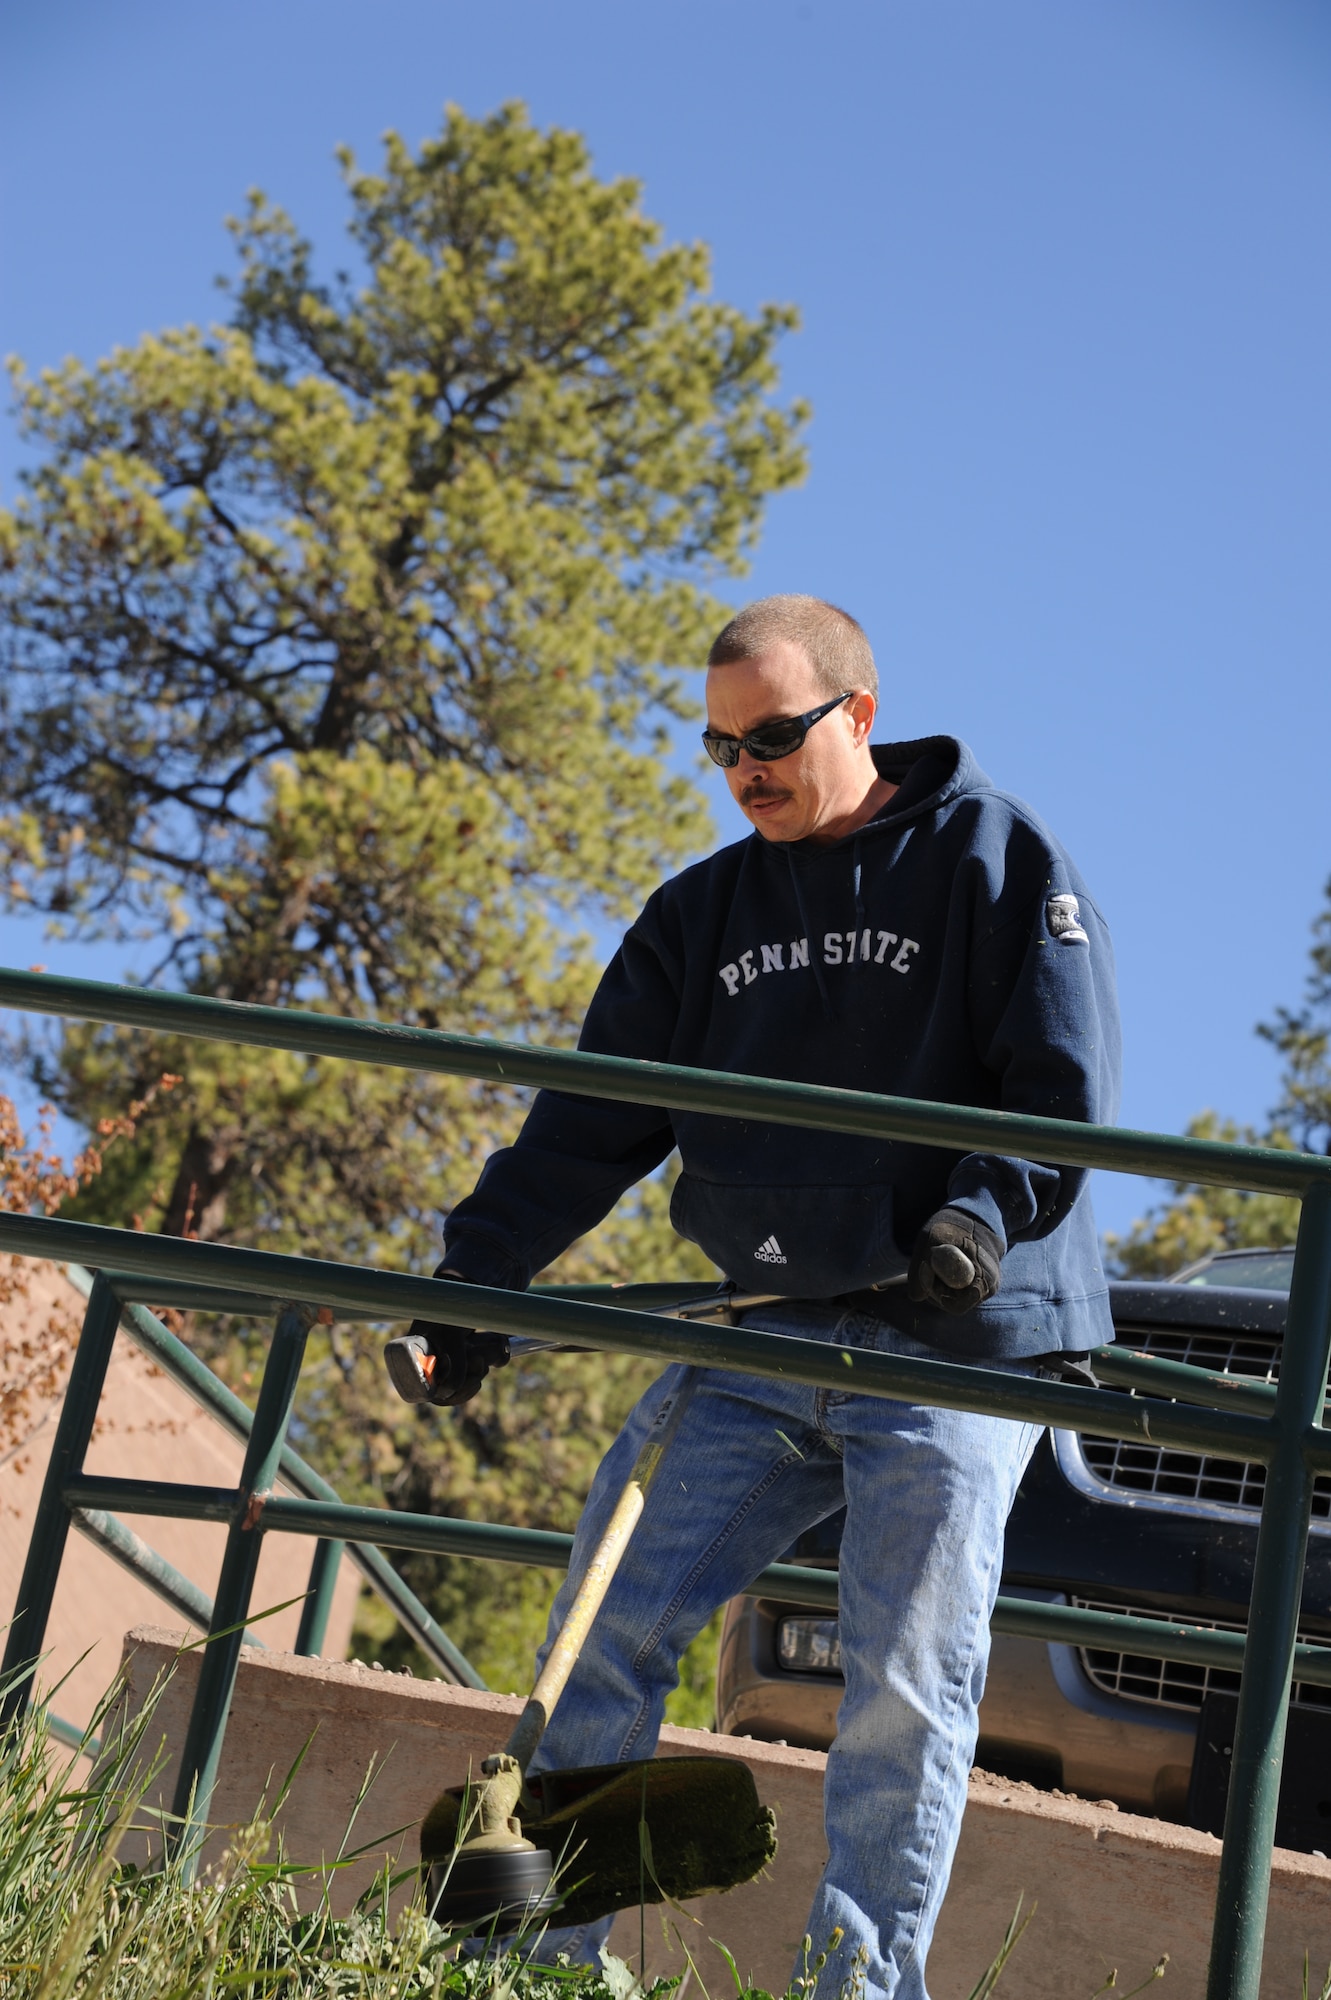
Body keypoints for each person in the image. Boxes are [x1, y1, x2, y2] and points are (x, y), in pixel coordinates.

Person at [386, 596, 1121, 2000]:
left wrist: (977, 1217)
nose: (746, 771)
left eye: (773, 736)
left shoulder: (995, 858)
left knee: (902, 1701)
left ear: (857, 712)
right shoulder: (703, 915)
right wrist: (471, 1286)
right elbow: (583, 1129)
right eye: (719, 746)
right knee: (605, 1632)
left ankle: (852, 1990)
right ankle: (540, 1971)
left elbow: (1061, 1091)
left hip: (954, 1348)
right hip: (766, 1337)